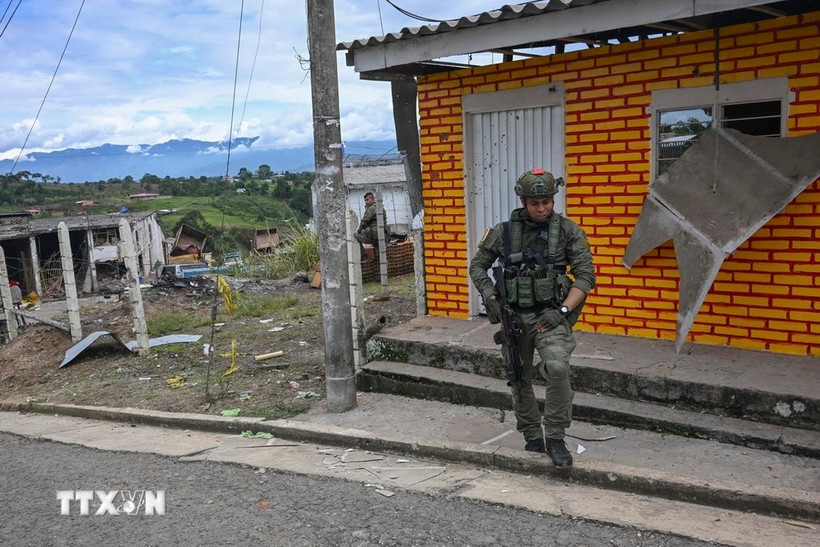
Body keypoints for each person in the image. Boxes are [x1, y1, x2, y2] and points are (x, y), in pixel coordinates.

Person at [469, 169, 596, 468]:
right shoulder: (503, 232)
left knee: (557, 368)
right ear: (523, 201)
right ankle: (532, 436)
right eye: (535, 203)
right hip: (514, 318)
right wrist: (491, 298)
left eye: (547, 202)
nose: (542, 209)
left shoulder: (568, 231)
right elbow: (477, 266)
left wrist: (562, 311)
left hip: (549, 316)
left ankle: (555, 438)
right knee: (518, 376)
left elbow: (585, 277)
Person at [354, 191, 390, 261]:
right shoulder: (380, 207)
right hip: (382, 235)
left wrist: (359, 230)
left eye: (367, 200)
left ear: (373, 199)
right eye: (365, 200)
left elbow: (364, 221)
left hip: (374, 236)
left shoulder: (371, 209)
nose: (366, 202)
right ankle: (381, 265)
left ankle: (364, 256)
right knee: (380, 257)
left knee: (355, 236)